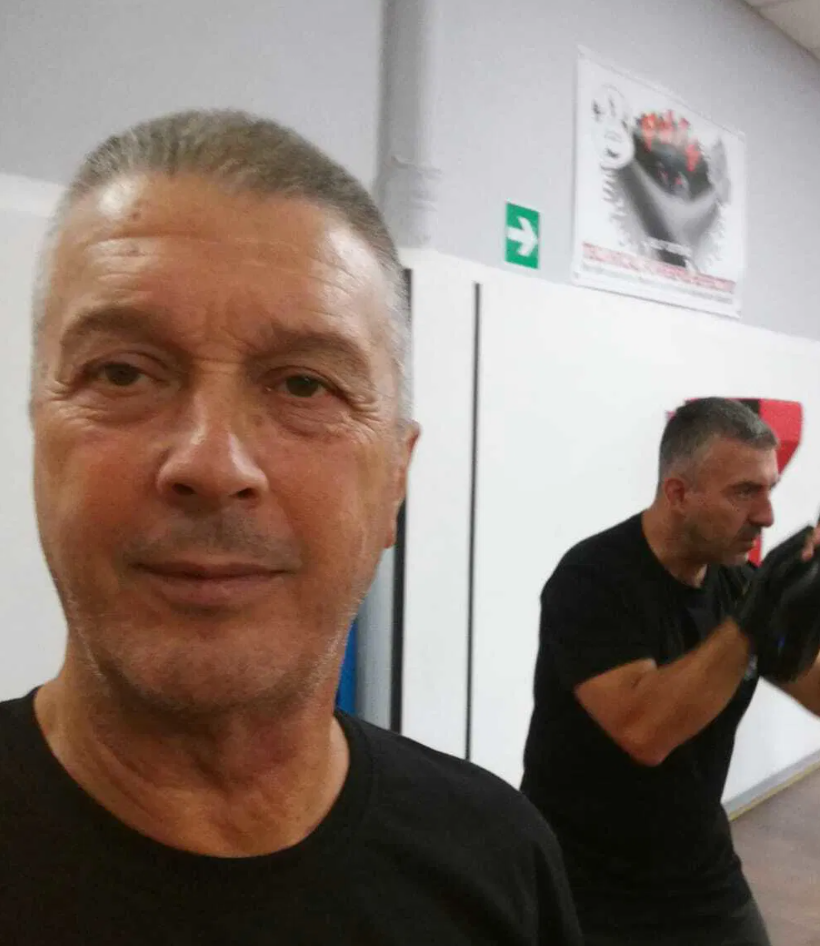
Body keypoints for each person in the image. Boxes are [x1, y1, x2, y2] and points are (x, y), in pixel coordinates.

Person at [0, 110, 581, 945]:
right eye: (122, 372)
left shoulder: (498, 858)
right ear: (39, 436)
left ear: (395, 478)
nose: (212, 463)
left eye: (305, 385)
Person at [521, 398, 820, 946]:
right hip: (582, 879)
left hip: (698, 864)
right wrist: (756, 615)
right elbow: (645, 730)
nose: (766, 515)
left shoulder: (736, 585)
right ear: (678, 493)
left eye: (769, 490)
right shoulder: (593, 579)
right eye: (744, 492)